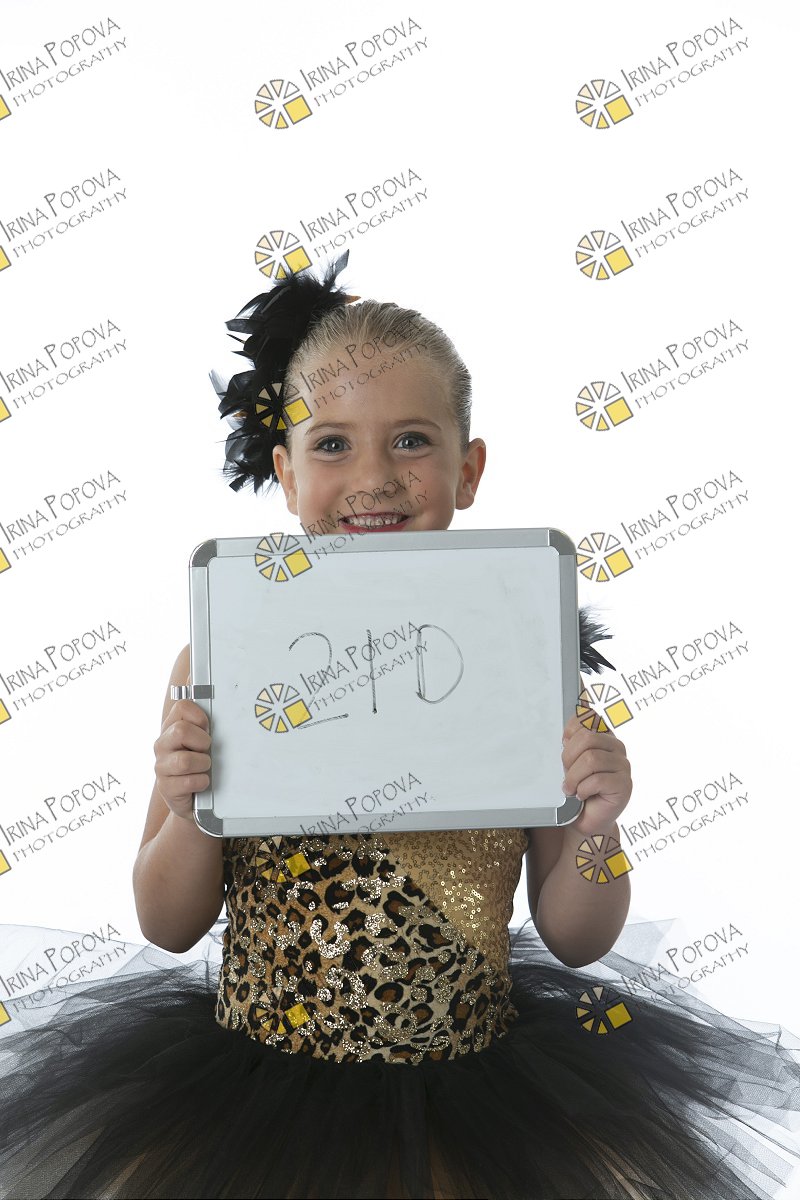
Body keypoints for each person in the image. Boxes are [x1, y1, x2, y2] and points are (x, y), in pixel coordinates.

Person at [0, 251, 799, 1200]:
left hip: (474, 1105)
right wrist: (185, 807)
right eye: (332, 444)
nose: (373, 477)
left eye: (411, 441)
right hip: (258, 1101)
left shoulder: (530, 669)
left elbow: (578, 936)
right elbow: (167, 924)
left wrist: (597, 829)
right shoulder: (224, 660)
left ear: (469, 470)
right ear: (284, 471)